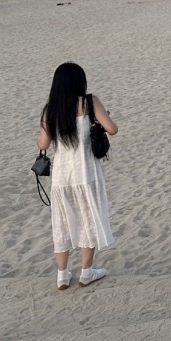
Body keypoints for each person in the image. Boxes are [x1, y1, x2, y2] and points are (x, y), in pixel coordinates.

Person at [37, 62, 118, 290]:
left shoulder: (50, 110)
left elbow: (43, 143)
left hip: (62, 179)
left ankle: (62, 276)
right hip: (87, 174)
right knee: (88, 221)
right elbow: (112, 129)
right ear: (79, 82)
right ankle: (86, 273)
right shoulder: (89, 102)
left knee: (61, 224)